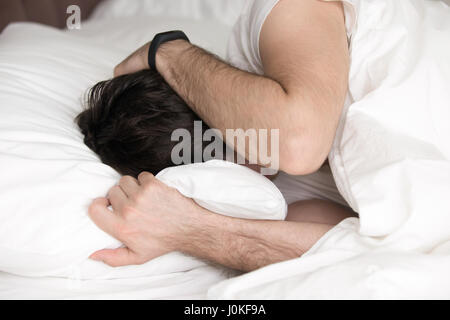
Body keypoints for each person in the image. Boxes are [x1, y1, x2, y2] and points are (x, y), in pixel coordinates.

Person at [87, 0, 354, 271]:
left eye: (228, 135)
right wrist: (189, 228)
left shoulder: (280, 16)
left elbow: (299, 145)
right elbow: (367, 251)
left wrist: (169, 52)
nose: (251, 157)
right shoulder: (282, 206)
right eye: (220, 162)